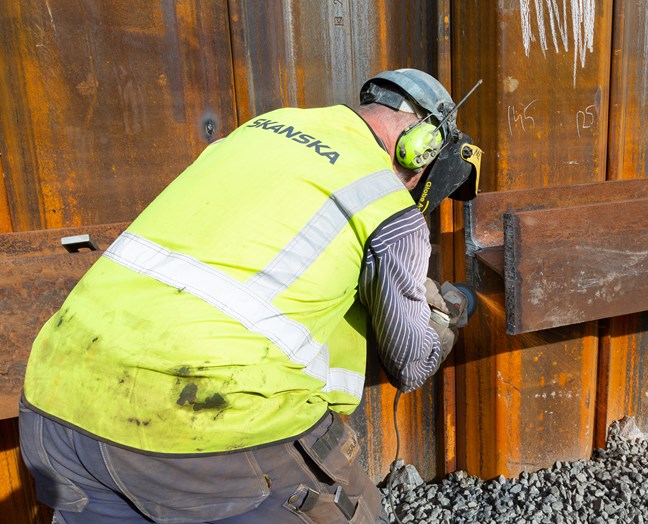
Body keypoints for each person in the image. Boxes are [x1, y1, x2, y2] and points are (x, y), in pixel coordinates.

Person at [18, 68, 481, 523]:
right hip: (197, 415)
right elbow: (412, 363)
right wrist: (442, 321)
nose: (416, 189)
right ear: (423, 147)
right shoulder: (388, 202)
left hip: (54, 402)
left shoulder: (262, 131)